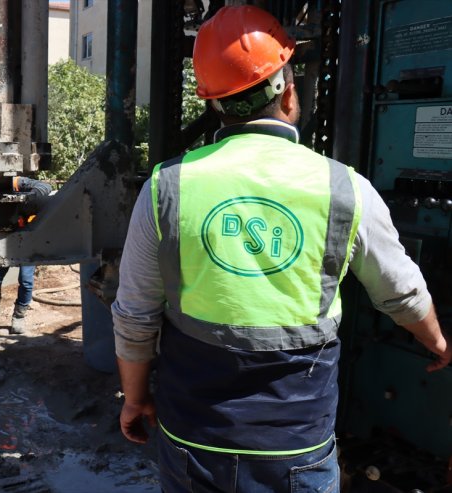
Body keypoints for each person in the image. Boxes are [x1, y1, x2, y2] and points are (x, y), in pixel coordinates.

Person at [112, 6, 450, 492]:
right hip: (294, 447)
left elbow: (135, 313)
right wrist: (435, 341)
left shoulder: (168, 185)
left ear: (213, 103)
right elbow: (401, 293)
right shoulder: (344, 187)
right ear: (289, 91)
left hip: (193, 438)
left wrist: (135, 396)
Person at [0, 175, 52, 334]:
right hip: (5, 238)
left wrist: (24, 202)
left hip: (28, 237)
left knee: (25, 278)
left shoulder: (18, 183)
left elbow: (46, 187)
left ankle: (19, 316)